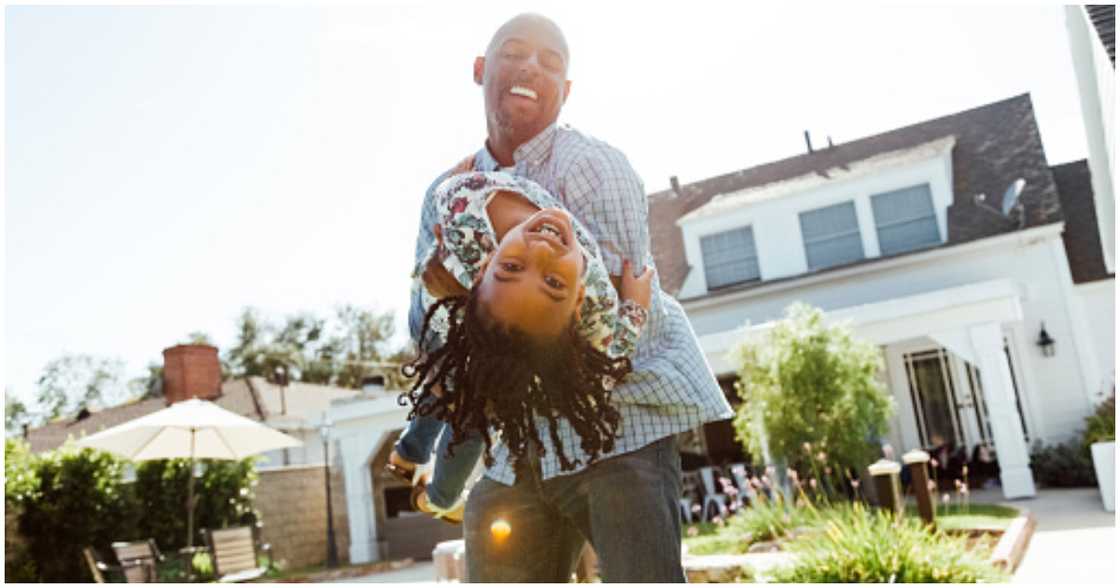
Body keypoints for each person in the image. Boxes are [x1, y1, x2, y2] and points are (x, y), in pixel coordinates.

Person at [407, 13, 734, 582]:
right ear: (481, 69)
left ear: (567, 91)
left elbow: (603, 337)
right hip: (517, 444)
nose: (532, 65)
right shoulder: (450, 195)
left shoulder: (592, 169)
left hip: (618, 425)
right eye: (515, 52)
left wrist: (469, 290)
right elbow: (430, 318)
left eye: (551, 62)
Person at [389, 170, 653, 522]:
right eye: (553, 282)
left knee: (466, 395)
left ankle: (422, 474)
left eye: (513, 267)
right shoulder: (596, 302)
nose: (542, 251)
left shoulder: (465, 210)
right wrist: (636, 306)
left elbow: (430, 272)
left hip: (465, 318)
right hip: (447, 321)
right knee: (463, 395)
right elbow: (612, 355)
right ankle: (433, 484)